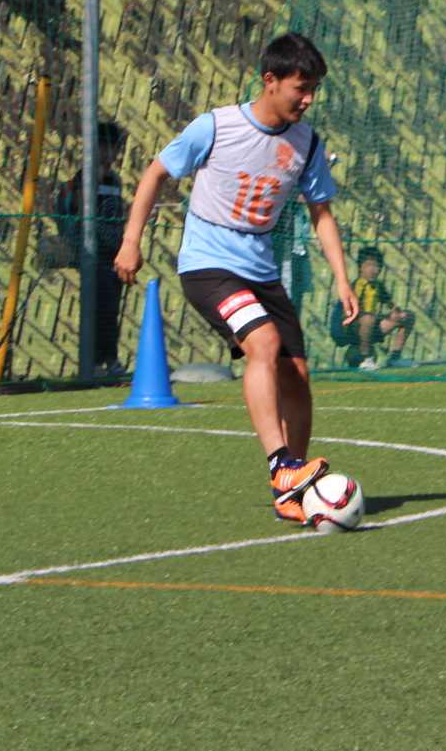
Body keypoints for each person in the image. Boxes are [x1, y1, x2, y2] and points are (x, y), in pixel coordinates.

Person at [113, 33, 358, 522]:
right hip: (208, 266)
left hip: (261, 272)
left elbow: (322, 213)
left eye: (314, 90)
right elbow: (155, 174)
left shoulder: (307, 143)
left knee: (297, 378)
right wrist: (130, 241)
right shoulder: (216, 126)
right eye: (301, 88)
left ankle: (292, 493)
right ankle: (282, 465)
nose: (308, 100)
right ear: (271, 81)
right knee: (263, 344)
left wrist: (342, 279)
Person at [56, 119, 129, 377]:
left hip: (114, 251)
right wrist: (89, 185)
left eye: (113, 147)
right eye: (104, 147)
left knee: (112, 306)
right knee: (100, 305)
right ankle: (95, 360)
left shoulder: (116, 179)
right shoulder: (84, 176)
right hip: (93, 252)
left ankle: (111, 357)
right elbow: (76, 207)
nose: (109, 153)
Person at [349, 246, 414, 370]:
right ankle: (366, 359)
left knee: (408, 315)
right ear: (360, 266)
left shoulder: (378, 286)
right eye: (368, 265)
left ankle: (395, 357)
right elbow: (356, 313)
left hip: (373, 324)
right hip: (354, 329)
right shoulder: (357, 285)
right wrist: (383, 316)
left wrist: (396, 313)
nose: (373, 270)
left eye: (376, 266)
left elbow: (390, 304)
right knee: (368, 319)